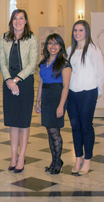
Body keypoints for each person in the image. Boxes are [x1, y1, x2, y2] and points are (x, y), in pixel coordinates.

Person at [0, 9, 38, 173]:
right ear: (11, 21)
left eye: (21, 18)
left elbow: (32, 63)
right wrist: (8, 80)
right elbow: (1, 61)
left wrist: (16, 80)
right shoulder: (4, 38)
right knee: (12, 122)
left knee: (23, 122)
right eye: (15, 18)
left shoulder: (31, 38)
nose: (18, 21)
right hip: (8, 84)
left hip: (25, 83)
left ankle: (22, 156)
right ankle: (13, 155)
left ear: (26, 21)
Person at [66, 20, 104, 175]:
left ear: (86, 32)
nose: (77, 33)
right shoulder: (70, 50)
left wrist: (97, 92)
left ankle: (87, 159)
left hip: (88, 93)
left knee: (86, 127)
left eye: (81, 30)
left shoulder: (93, 50)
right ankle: (78, 158)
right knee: (75, 127)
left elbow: (100, 72)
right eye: (75, 30)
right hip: (72, 94)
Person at [35, 33, 71, 174]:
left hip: (57, 98)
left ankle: (57, 162)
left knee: (55, 132)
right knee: (49, 131)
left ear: (61, 46)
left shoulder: (64, 64)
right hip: (46, 98)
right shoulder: (43, 63)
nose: (53, 46)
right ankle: (54, 160)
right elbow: (41, 83)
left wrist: (61, 105)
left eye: (56, 44)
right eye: (50, 43)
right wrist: (37, 101)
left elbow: (66, 87)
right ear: (46, 46)